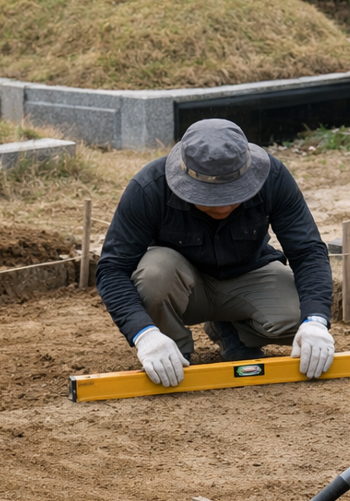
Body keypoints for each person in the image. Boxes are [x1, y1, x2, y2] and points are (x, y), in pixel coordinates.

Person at [95, 119, 335, 387]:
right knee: (154, 273)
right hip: (180, 287)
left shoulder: (273, 177)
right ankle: (171, 347)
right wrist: (144, 334)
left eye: (234, 194)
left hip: (247, 276)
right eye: (209, 197)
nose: (223, 206)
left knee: (299, 314)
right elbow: (112, 270)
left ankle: (233, 331)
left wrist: (315, 320)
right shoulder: (149, 188)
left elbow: (308, 251)